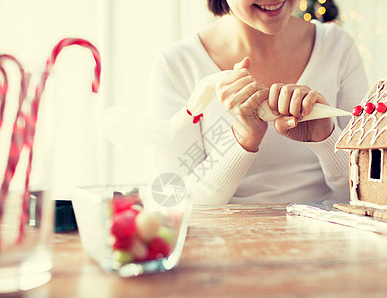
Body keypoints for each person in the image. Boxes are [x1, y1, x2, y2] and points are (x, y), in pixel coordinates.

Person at [148, 0, 369, 205]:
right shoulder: (178, 64)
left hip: (329, 236)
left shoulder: (337, 46)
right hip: (224, 241)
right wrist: (242, 140)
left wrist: (327, 139)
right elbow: (172, 200)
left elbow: (370, 190)